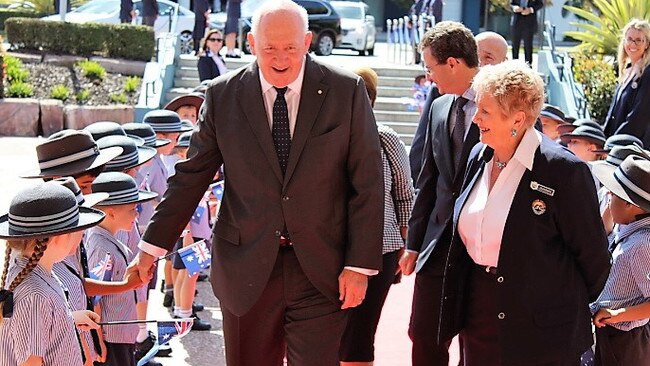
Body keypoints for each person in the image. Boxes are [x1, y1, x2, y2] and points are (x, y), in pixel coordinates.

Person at [131, 1, 384, 365]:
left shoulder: (345, 91)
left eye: (291, 48)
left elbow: (368, 183)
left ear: (308, 41)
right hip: (245, 267)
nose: (280, 58)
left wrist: (359, 265)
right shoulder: (223, 95)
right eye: (269, 48)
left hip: (322, 268)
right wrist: (152, 246)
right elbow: (192, 177)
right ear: (251, 42)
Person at [439, 60, 611, 365]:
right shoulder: (480, 154)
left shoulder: (563, 171)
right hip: (478, 314)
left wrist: (557, 310)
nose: (475, 118)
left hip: (542, 330)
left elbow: (594, 259)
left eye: (485, 111)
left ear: (517, 118)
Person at [400, 21, 480, 366]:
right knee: (423, 334)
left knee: (476, 342)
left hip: (483, 248)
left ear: (453, 63)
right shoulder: (438, 107)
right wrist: (414, 243)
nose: (428, 77)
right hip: (437, 243)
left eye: (431, 67)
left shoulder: (503, 103)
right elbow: (428, 181)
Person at [340, 67, 414, 366]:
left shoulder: (385, 137)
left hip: (379, 250)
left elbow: (405, 194)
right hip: (327, 252)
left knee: (359, 335)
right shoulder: (324, 137)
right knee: (327, 335)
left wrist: (405, 244)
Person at [0, 181, 106, 366]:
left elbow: (36, 325)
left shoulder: (34, 272)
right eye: (79, 230)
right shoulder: (35, 295)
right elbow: (30, 363)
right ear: (60, 237)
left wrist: (68, 319)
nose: (82, 236)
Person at [409, 29, 506, 183]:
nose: (480, 62)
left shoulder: (510, 106)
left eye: (488, 57)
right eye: (476, 54)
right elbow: (423, 163)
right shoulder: (439, 100)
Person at [88, 172, 157, 366]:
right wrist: (98, 339)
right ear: (111, 212)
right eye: (133, 209)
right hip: (112, 338)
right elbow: (95, 298)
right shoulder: (101, 247)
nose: (137, 215)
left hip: (122, 333)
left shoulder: (110, 238)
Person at [591, 155, 650, 366]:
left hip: (627, 340)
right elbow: (602, 233)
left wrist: (617, 313)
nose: (607, 198)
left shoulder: (642, 245)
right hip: (612, 334)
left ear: (629, 204)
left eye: (612, 195)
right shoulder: (627, 225)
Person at [603, 19, 650, 148]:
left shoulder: (648, 73)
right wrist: (603, 139)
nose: (633, 44)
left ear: (647, 44)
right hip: (616, 144)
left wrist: (613, 144)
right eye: (629, 39)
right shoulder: (627, 71)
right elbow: (612, 114)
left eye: (639, 40)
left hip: (632, 148)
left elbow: (638, 116)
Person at [510, 0, 543, 66]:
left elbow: (540, 4)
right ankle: (514, 63)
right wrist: (515, 8)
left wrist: (530, 10)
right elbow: (511, 4)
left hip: (529, 21)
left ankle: (528, 64)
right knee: (515, 43)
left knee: (528, 44)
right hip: (517, 21)